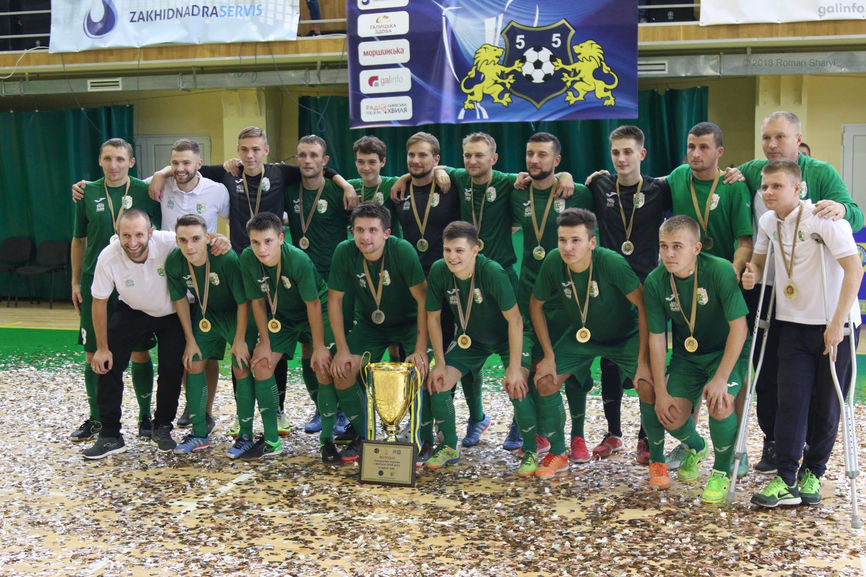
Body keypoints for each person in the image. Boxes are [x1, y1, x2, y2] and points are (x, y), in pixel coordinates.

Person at [150, 127, 356, 437]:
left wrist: (343, 183)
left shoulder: (281, 172)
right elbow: (188, 168)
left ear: (266, 150)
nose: (250, 155)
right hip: (243, 267)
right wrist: (160, 173)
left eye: (256, 149)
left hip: (276, 266)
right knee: (247, 345)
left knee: (278, 335)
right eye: (244, 149)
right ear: (237, 150)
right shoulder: (228, 173)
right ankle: (241, 414)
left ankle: (282, 409)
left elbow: (317, 166)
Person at [730, 111, 863, 475]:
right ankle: (777, 445)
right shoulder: (757, 176)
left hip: (822, 302)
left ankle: (813, 462)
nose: (772, 145)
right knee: (774, 377)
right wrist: (752, 271)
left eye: (780, 137)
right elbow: (717, 171)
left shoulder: (821, 180)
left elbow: (854, 217)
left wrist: (842, 209)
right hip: (779, 298)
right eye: (766, 138)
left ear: (797, 139)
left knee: (823, 391)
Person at [82, 209, 226, 458]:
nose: (133, 242)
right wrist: (102, 348)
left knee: (171, 369)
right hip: (133, 310)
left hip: (173, 313)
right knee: (107, 365)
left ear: (151, 232)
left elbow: (200, 238)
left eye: (139, 234)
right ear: (118, 234)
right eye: (126, 235)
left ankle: (162, 427)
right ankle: (110, 435)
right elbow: (99, 301)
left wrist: (221, 240)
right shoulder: (108, 256)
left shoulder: (169, 241)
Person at [531, 208, 651, 478]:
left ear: (592, 242)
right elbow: (535, 305)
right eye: (562, 240)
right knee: (545, 379)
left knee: (647, 385)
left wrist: (643, 360)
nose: (568, 247)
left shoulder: (611, 263)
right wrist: (548, 355)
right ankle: (558, 452)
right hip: (582, 336)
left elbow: (643, 305)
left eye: (576, 240)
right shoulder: (553, 261)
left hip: (624, 338)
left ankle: (657, 457)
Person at [639, 215, 748, 504]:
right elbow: (657, 338)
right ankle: (697, 446)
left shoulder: (719, 270)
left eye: (677, 246)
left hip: (725, 353)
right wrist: (661, 391)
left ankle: (721, 471)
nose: (669, 254)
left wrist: (721, 378)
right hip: (687, 357)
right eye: (664, 246)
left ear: (696, 248)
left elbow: (739, 328)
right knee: (669, 414)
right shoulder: (656, 280)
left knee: (720, 403)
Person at [585, 125, 671, 463]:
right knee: (609, 361)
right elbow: (565, 185)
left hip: (648, 287)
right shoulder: (599, 185)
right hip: (611, 289)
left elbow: (693, 182)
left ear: (641, 154)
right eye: (616, 152)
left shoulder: (660, 189)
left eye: (628, 152)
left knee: (649, 361)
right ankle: (614, 433)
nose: (621, 158)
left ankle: (646, 437)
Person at [70, 138, 161, 444]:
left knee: (139, 351)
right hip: (95, 281)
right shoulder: (86, 192)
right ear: (99, 160)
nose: (114, 165)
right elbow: (79, 239)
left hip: (133, 281)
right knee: (92, 352)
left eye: (120, 159)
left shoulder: (146, 191)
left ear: (131, 162)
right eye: (108, 158)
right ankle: (97, 418)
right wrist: (75, 282)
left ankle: (145, 416)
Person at [511, 132, 593, 463]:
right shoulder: (516, 191)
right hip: (531, 291)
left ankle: (578, 435)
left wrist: (569, 177)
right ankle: (543, 431)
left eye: (543, 154)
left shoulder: (578, 193)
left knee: (574, 367)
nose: (535, 160)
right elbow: (475, 174)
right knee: (534, 362)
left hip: (571, 293)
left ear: (557, 160)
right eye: (530, 153)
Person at [327, 202, 430, 462]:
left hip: (409, 323)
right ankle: (365, 436)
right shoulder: (344, 251)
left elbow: (423, 300)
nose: (365, 237)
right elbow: (334, 301)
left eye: (372, 230)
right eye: (360, 230)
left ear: (386, 233)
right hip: (371, 325)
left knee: (423, 370)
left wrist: (420, 349)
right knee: (343, 371)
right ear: (352, 231)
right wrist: (342, 350)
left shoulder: (402, 250)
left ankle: (423, 438)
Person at [425, 222, 530, 471]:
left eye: (459, 250)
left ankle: (532, 451)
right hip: (470, 340)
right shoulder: (439, 270)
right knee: (438, 382)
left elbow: (515, 320)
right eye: (448, 250)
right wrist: (439, 363)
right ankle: (449, 446)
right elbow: (433, 318)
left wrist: (515, 367)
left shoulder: (493, 272)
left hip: (506, 338)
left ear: (475, 250)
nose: (452, 257)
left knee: (517, 385)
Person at [239, 212, 334, 460]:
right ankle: (272, 440)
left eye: (268, 241)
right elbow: (257, 302)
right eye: (255, 242)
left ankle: (327, 440)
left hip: (316, 310)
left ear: (281, 238)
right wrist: (264, 342)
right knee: (262, 365)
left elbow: (313, 304)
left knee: (322, 365)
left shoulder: (298, 260)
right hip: (281, 316)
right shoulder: (248, 258)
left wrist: (319, 346)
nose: (261, 249)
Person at [165, 214, 257, 455]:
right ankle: (199, 433)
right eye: (183, 240)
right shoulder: (175, 261)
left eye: (195, 239)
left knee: (240, 366)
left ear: (207, 237)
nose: (189, 246)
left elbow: (244, 302)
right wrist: (190, 340)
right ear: (177, 241)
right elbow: (180, 301)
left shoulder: (225, 258)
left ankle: (245, 435)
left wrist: (239, 340)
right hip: (206, 315)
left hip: (235, 314)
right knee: (193, 363)